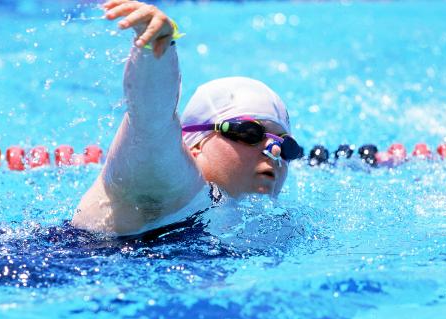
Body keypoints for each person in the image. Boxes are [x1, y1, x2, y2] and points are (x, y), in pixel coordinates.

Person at [72, 0, 301, 236]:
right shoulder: (166, 185)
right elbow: (152, 119)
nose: (274, 151)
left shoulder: (254, 226)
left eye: (287, 147)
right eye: (249, 133)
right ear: (196, 145)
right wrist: (155, 48)